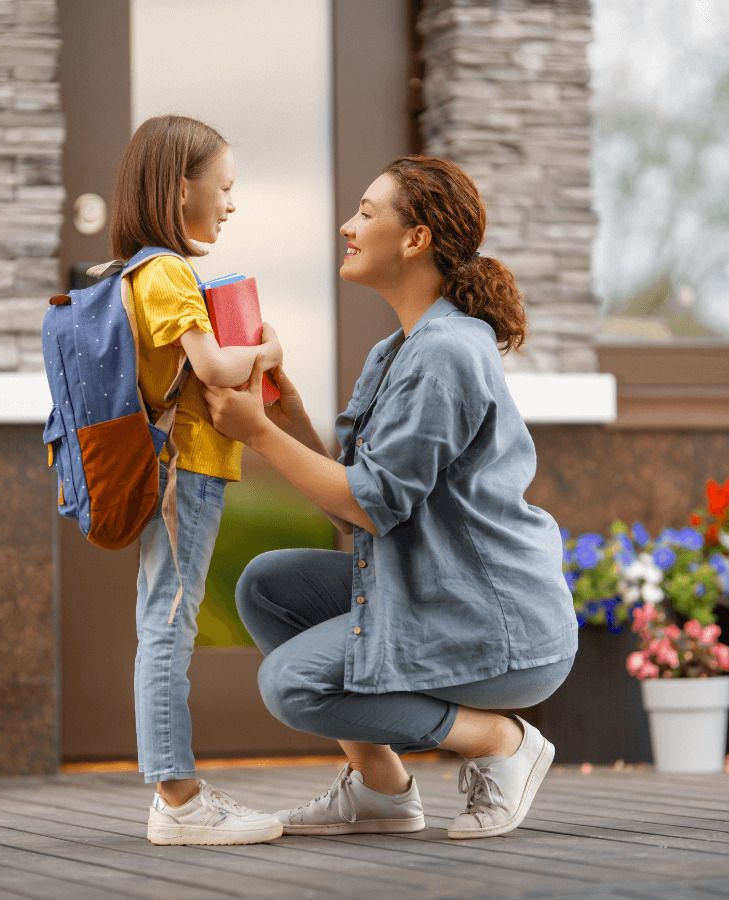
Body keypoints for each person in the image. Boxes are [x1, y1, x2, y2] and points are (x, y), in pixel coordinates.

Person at [203, 155, 578, 840]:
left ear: (416, 239)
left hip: (496, 623)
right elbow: (352, 505)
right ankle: (380, 791)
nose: (348, 226)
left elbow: (368, 506)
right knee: (268, 586)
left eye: (368, 213)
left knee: (295, 684)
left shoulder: (446, 353)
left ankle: (500, 742)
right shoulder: (397, 352)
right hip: (438, 592)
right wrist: (286, 417)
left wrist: (257, 435)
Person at [110, 114, 284, 845]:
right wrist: (268, 347)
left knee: (164, 622)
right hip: (186, 473)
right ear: (179, 189)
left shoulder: (140, 271)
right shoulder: (165, 271)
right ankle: (178, 801)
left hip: (175, 472)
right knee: (169, 626)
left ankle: (176, 793)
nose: (231, 204)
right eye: (224, 186)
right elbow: (213, 368)